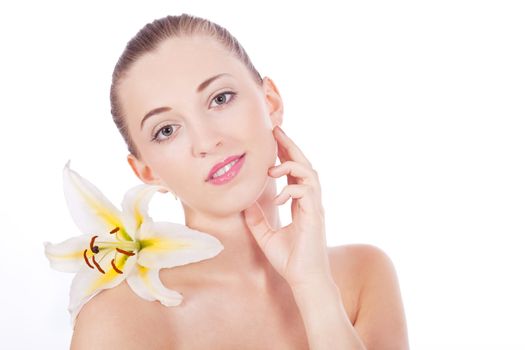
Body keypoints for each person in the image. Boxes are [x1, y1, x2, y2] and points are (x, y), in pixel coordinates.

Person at [70, 13, 409, 349]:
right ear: (147, 172)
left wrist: (314, 286)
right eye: (167, 130)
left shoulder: (363, 275)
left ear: (270, 102)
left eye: (220, 99)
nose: (206, 141)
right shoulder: (118, 316)